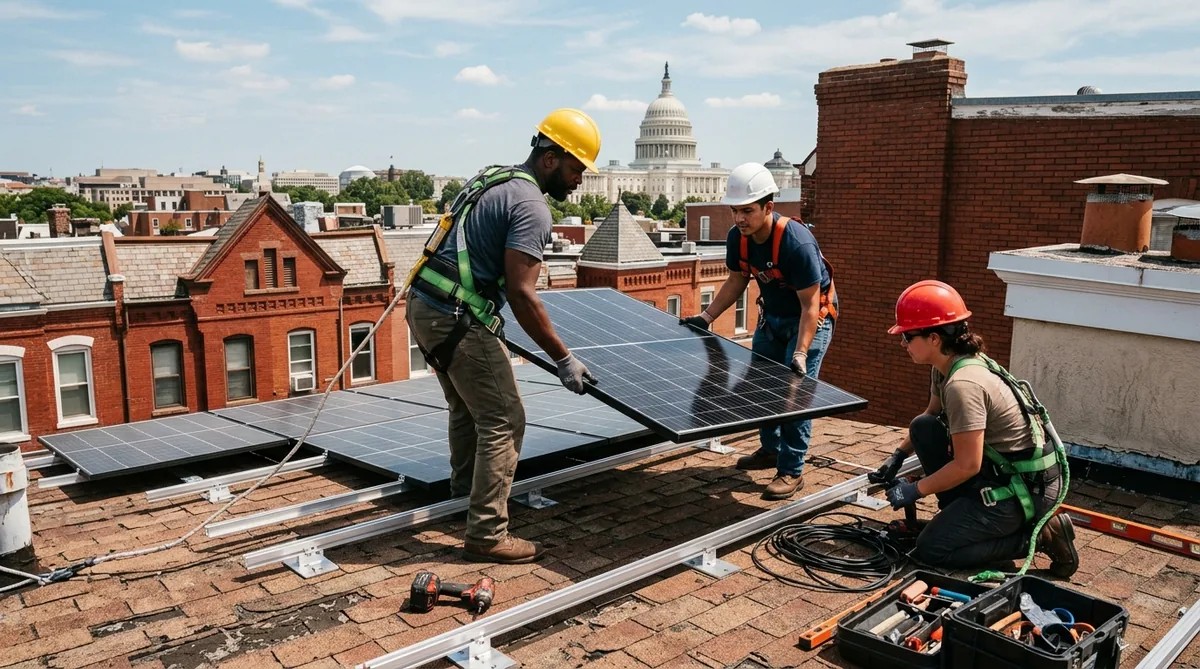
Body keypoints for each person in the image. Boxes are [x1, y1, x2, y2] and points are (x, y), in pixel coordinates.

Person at [406, 108, 601, 564]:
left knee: (468, 407)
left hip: (425, 305)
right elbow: (521, 292)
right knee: (504, 418)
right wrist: (562, 357)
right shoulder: (532, 206)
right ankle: (488, 532)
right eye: (575, 169)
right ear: (550, 158)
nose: (578, 181)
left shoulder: (495, 177)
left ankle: (464, 497)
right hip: (456, 314)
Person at [872, 280, 1079, 576]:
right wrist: (897, 456)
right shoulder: (946, 366)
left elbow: (968, 465)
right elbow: (931, 416)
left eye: (907, 335)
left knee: (931, 549)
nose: (902, 343)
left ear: (933, 338)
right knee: (924, 427)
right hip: (1001, 473)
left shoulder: (963, 384)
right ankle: (963, 519)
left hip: (1025, 489)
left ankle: (1045, 535)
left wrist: (914, 490)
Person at [681, 162, 838, 500]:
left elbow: (812, 306)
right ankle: (770, 451)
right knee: (761, 386)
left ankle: (791, 470)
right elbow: (738, 279)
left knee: (795, 395)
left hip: (809, 321)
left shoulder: (796, 244)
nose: (739, 218)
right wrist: (707, 317)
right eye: (735, 210)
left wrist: (799, 353)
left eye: (747, 210)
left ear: (768, 207)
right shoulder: (739, 239)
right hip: (772, 318)